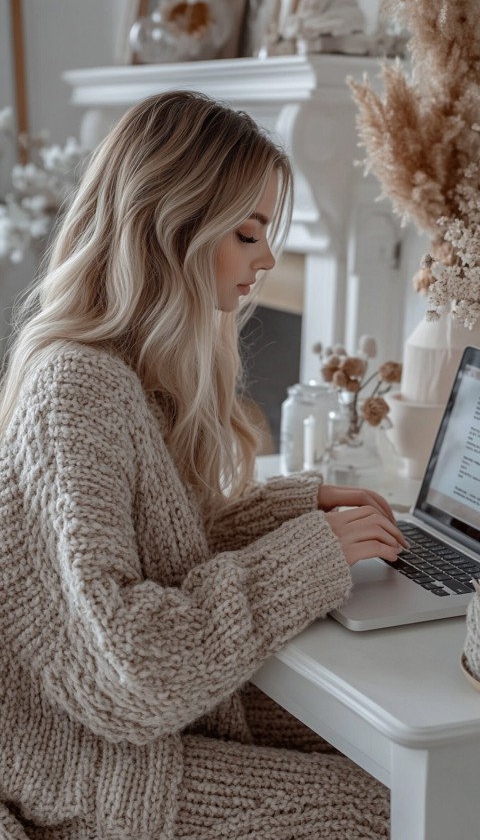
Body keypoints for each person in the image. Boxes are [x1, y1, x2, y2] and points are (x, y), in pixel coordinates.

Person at [0, 90, 407, 840]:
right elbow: (133, 664)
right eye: (248, 233)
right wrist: (308, 559)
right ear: (172, 230)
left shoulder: (125, 371)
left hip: (134, 733)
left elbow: (157, 551)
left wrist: (294, 509)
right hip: (95, 768)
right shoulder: (78, 388)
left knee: (407, 754)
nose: (269, 258)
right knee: (387, 807)